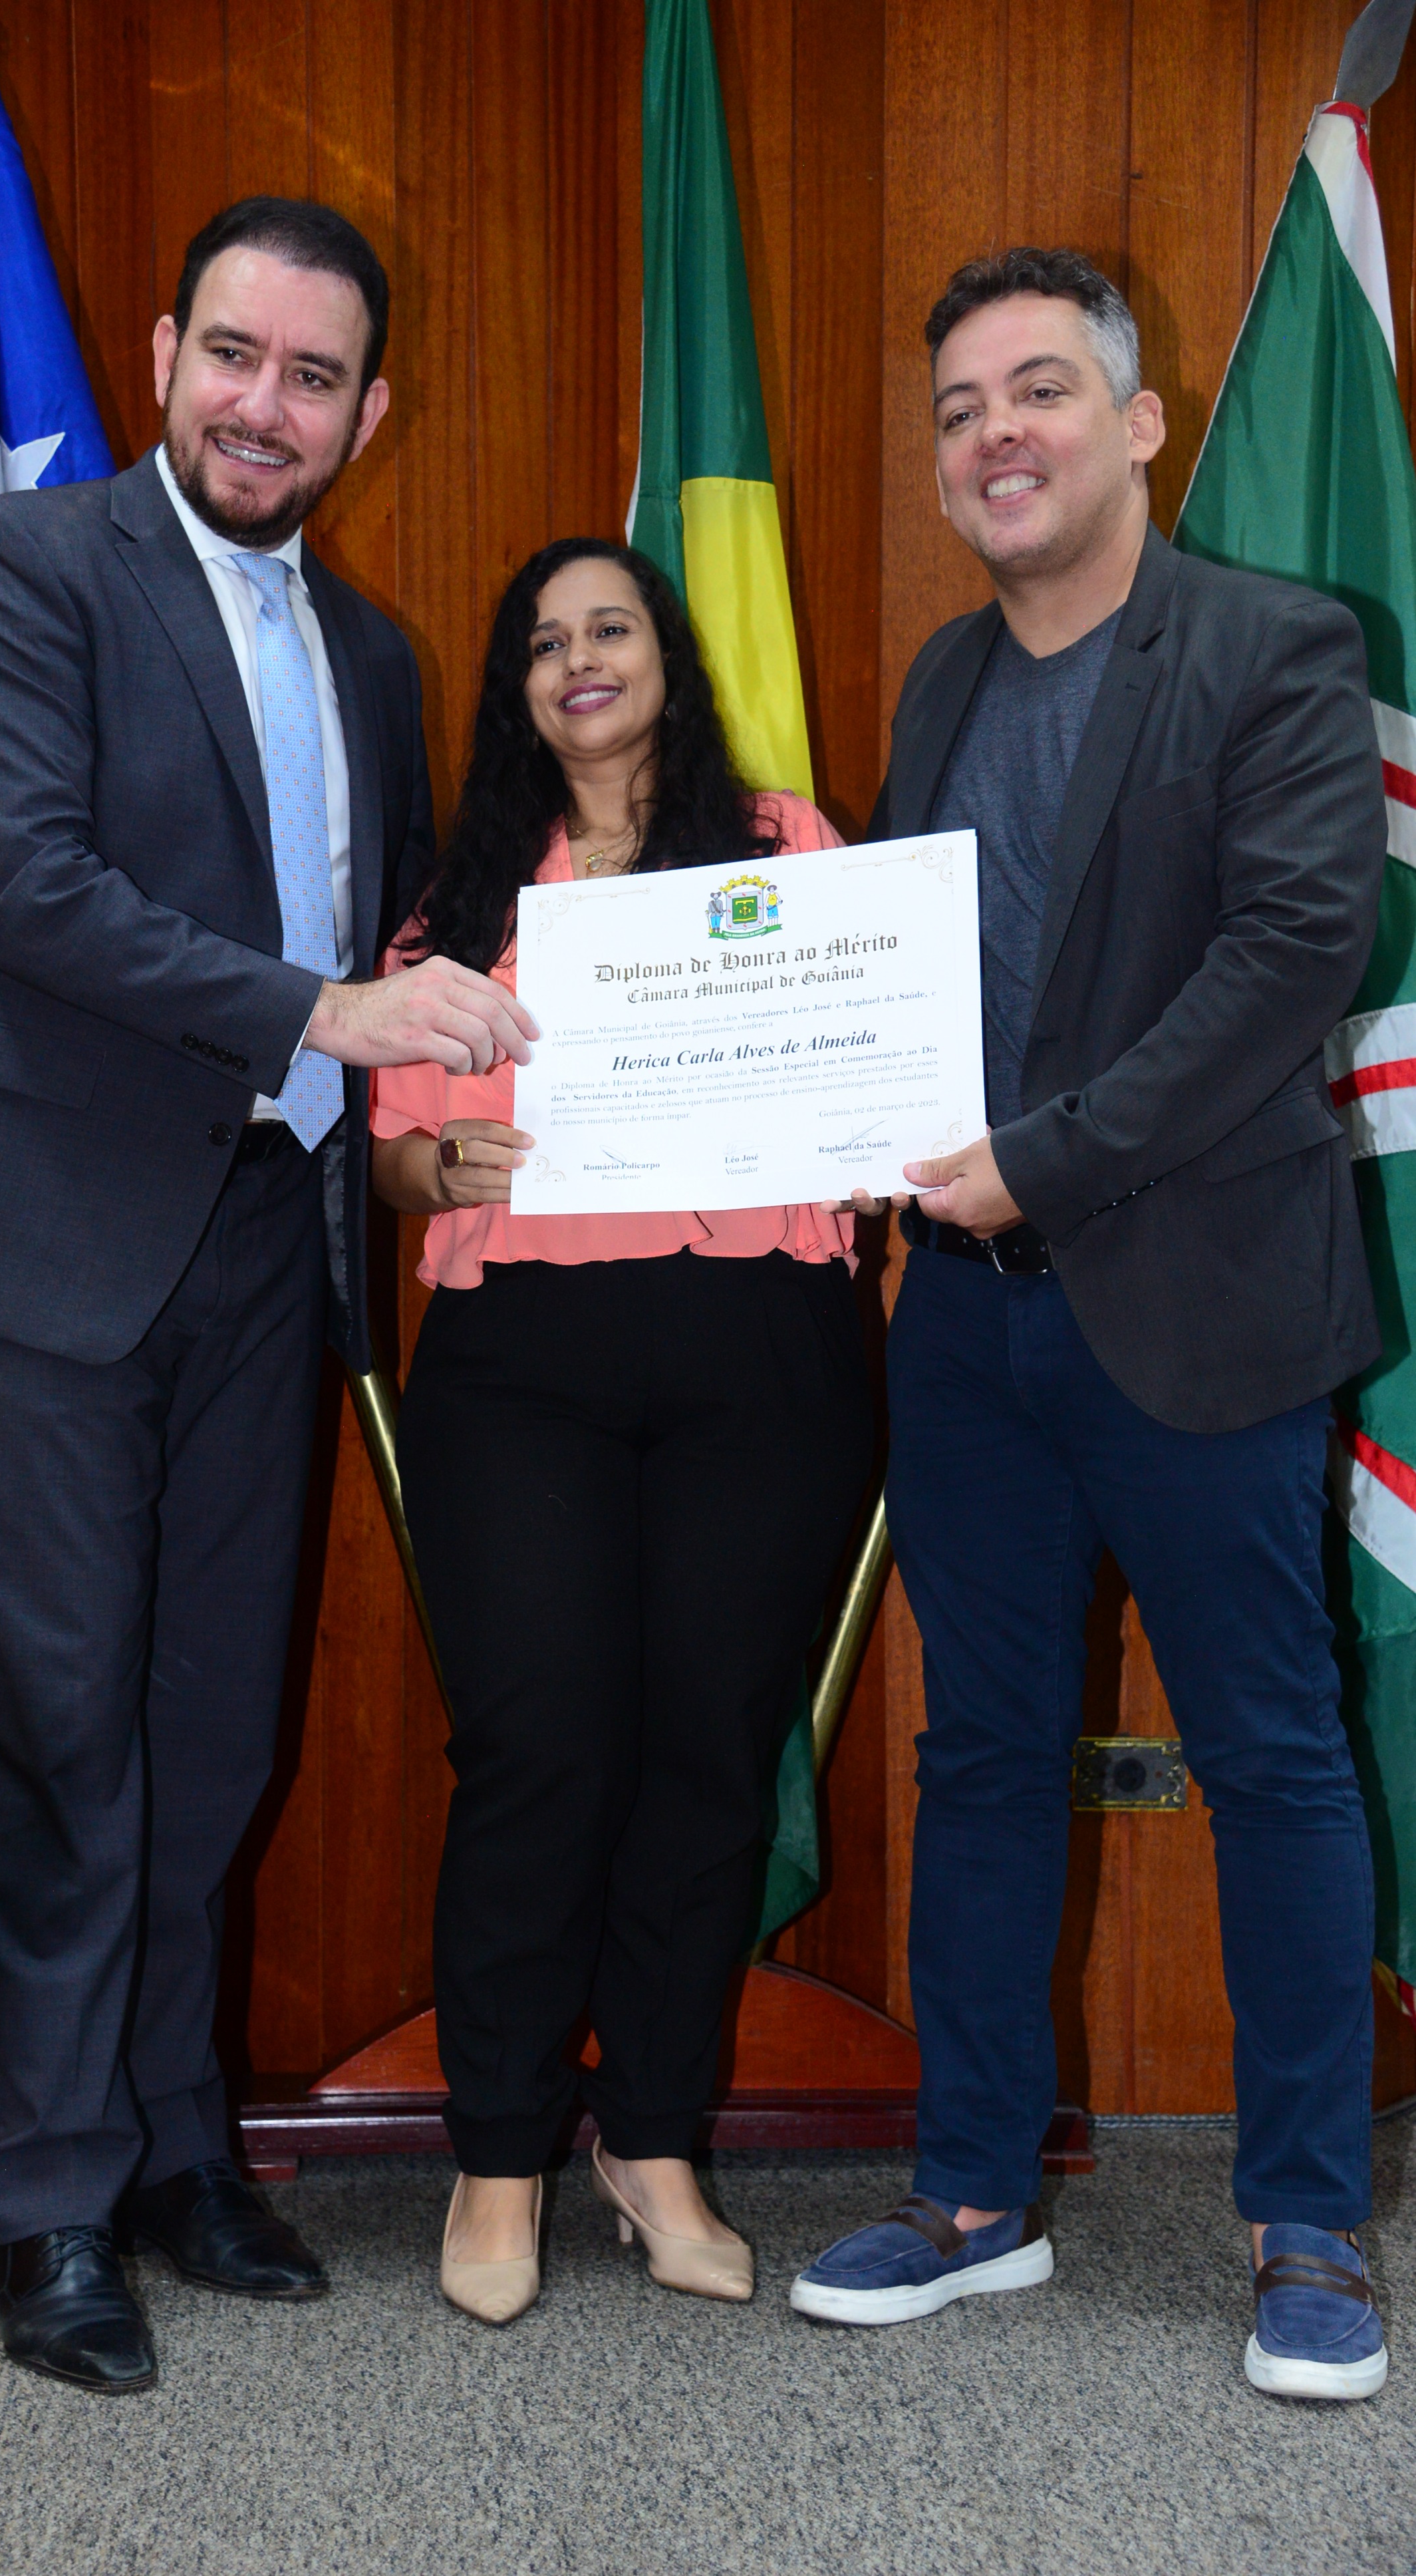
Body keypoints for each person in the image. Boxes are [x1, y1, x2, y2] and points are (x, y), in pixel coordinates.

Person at [0, 197, 535, 2395]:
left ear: (368, 414)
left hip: (266, 1238)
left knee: (211, 1722)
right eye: (235, 354)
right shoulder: (22, 567)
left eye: (313, 377)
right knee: (54, 1717)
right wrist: (330, 1012)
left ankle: (163, 2145)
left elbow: (406, 933)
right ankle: (46, 2194)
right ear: (159, 354)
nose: (263, 404)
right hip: (45, 1229)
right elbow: (28, 886)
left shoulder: (380, 656)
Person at [791, 248, 1389, 2402]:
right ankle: (973, 2198)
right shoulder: (946, 679)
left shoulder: (1276, 645)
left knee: (1273, 1755)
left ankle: (1308, 2220)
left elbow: (1295, 952)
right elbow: (901, 980)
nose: (995, 436)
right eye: (960, 409)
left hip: (1203, 1302)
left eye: (1038, 391)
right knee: (977, 1757)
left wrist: (1045, 1159)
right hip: (967, 1325)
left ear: (1139, 424)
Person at [373, 538, 875, 2325]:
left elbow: (870, 1061)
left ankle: (652, 2141)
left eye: (611, 627)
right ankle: (502, 2151)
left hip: (766, 1350)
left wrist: (874, 1122)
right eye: (543, 642)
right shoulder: (462, 890)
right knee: (540, 1752)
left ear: (668, 655)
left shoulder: (789, 849)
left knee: (709, 1753)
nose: (579, 659)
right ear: (515, 689)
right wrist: (446, 1162)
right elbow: (395, 1152)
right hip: (525, 1365)